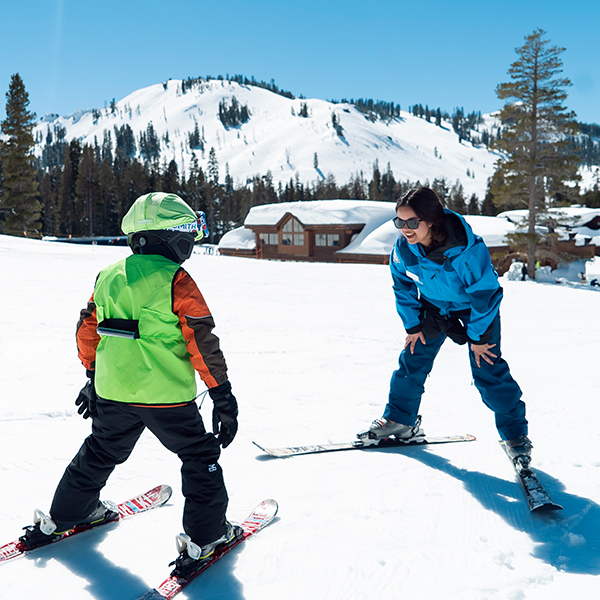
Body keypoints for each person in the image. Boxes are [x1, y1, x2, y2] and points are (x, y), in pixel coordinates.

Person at [20, 192, 241, 577]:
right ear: (168, 238)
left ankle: (66, 515)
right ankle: (207, 537)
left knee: (101, 450)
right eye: (186, 231)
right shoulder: (177, 279)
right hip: (166, 398)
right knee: (198, 456)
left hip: (113, 391)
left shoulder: (108, 276)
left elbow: (86, 329)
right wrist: (222, 395)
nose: (190, 240)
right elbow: (201, 340)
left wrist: (92, 377)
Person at [358, 187, 532, 460]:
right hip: (433, 307)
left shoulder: (466, 250)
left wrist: (476, 337)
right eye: (399, 222)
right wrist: (413, 325)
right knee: (413, 358)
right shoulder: (404, 248)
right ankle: (400, 421)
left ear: (431, 220)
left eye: (412, 223)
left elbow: (485, 295)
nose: (405, 229)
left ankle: (515, 434)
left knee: (487, 370)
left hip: (475, 311)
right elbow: (401, 284)